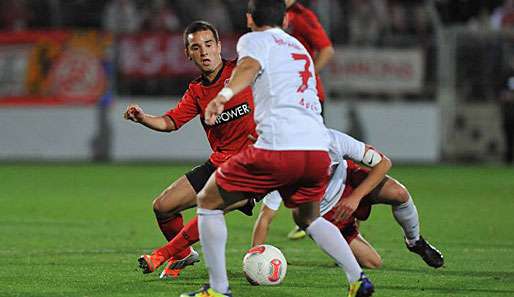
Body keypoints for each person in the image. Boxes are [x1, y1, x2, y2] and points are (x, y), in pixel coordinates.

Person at [181, 1, 375, 297]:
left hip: (278, 147)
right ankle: (357, 279)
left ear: (249, 18)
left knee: (208, 200)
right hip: (317, 150)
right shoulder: (299, 49)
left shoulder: (253, 39)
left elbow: (248, 67)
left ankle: (218, 290)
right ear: (285, 18)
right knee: (307, 218)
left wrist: (225, 93)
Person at [124, 20, 257, 279]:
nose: (204, 52)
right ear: (188, 53)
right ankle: (183, 255)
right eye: (196, 47)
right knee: (163, 207)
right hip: (219, 163)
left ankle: (163, 255)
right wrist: (142, 117)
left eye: (209, 44)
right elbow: (170, 122)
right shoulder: (197, 91)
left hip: (253, 165)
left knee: (210, 207)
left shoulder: (242, 71)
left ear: (220, 46)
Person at [252, 129, 445, 269]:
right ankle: (341, 242)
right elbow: (265, 218)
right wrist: (255, 257)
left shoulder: (332, 139)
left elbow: (384, 163)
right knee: (373, 263)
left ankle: (415, 242)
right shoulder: (283, 164)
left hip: (350, 182)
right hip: (325, 214)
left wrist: (355, 197)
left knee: (399, 194)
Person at [284, 0, 335, 240]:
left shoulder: (302, 16)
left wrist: (308, 76)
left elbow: (326, 49)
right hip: (286, 96)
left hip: (307, 99)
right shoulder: (273, 13)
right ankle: (306, 211)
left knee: (314, 158)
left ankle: (321, 212)